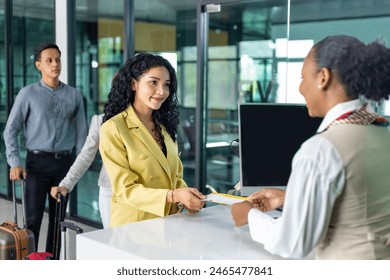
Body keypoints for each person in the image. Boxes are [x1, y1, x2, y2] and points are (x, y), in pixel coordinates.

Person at [231, 35, 390, 260]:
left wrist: (249, 215)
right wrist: (292, 197)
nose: (300, 88)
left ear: (323, 77)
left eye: (302, 76)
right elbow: (363, 201)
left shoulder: (321, 149)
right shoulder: (382, 131)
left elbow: (293, 242)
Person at [99, 53, 205, 227]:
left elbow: (175, 176)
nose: (162, 91)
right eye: (153, 82)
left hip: (170, 221)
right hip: (134, 226)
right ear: (134, 84)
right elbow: (125, 189)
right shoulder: (114, 128)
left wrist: (186, 198)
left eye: (167, 85)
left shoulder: (165, 126)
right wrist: (173, 196)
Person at [3, 42, 87, 253]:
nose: (55, 64)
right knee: (33, 220)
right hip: (37, 164)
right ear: (39, 65)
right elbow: (10, 130)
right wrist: (14, 162)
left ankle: (51, 265)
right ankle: (30, 265)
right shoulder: (27, 94)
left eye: (57, 59)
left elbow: (82, 133)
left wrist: (78, 164)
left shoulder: (74, 95)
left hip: (65, 165)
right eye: (49, 60)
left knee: (58, 222)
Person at [50, 114, 111, 228]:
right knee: (116, 241)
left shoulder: (154, 118)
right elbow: (86, 155)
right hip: (111, 191)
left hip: (148, 192)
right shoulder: (101, 121)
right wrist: (66, 184)